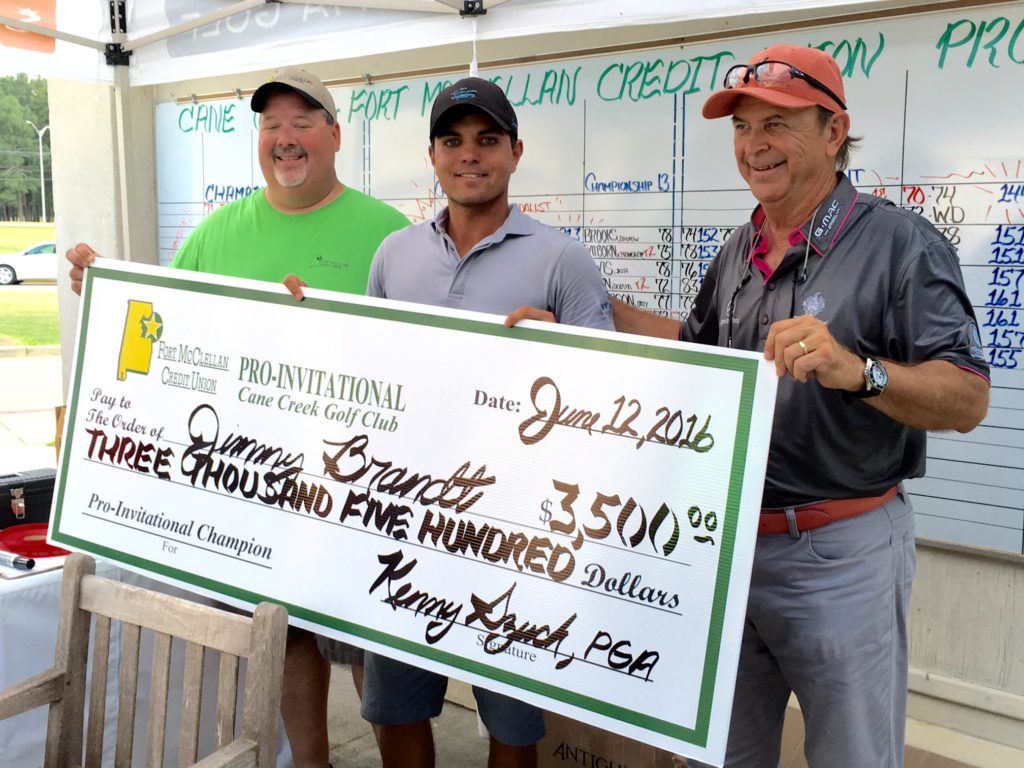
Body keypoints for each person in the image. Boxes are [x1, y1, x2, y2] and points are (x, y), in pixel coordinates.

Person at [513, 44, 990, 768]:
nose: (754, 145)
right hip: (727, 544)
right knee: (725, 755)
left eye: (777, 124)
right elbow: (701, 351)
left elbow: (967, 396)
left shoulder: (901, 243)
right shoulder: (740, 248)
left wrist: (857, 371)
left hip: (841, 549)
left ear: (834, 132)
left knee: (853, 757)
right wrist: (586, 315)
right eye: (741, 127)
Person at [66, 67, 409, 768]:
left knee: (377, 669)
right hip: (258, 500)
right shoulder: (216, 233)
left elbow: (422, 363)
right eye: (270, 125)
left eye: (302, 122)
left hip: (358, 494)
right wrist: (111, 290)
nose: (285, 139)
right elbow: (163, 336)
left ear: (335, 136)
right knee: (284, 640)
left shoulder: (390, 234)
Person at [286, 77, 613, 768]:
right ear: (431, 155)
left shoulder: (563, 259)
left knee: (513, 729)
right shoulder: (394, 255)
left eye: (488, 140)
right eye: (453, 140)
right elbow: (370, 379)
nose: (471, 155)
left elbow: (610, 401)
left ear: (516, 152)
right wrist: (308, 331)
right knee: (397, 713)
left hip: (516, 537)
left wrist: (568, 361)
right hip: (405, 522)